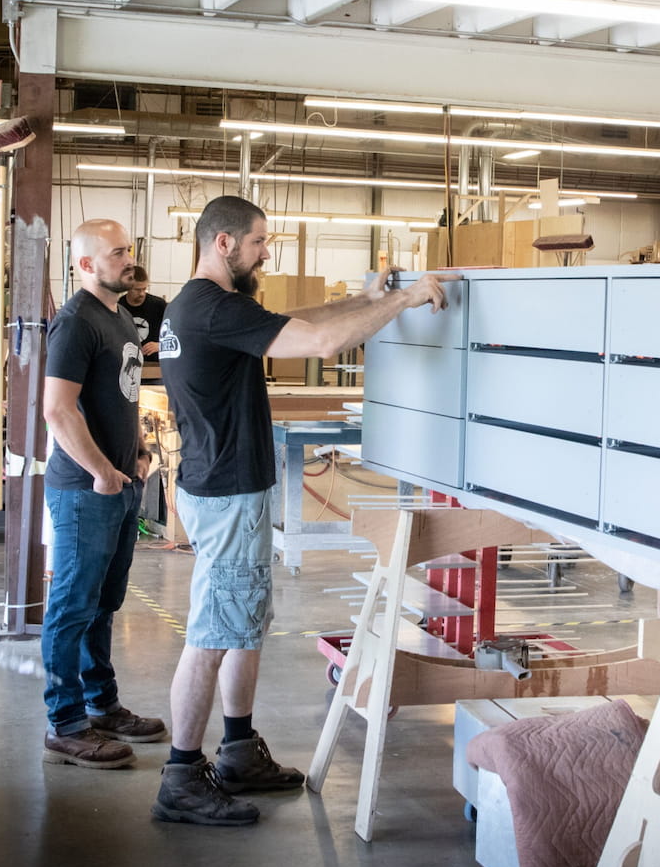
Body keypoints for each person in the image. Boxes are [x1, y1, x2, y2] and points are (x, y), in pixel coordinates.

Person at [152, 195, 454, 826]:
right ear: (226, 243)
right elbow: (316, 339)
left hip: (225, 486)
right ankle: (181, 775)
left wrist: (367, 299)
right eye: (261, 242)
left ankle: (236, 752)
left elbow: (297, 317)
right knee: (212, 634)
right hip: (228, 494)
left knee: (241, 625)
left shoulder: (203, 306)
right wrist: (404, 300)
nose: (268, 252)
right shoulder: (210, 308)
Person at [39, 218, 166, 769]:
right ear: (86, 264)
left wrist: (135, 453)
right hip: (84, 489)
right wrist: (99, 471)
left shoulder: (120, 319)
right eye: (117, 253)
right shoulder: (75, 323)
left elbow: (124, 397)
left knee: (103, 604)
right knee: (71, 605)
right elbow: (57, 409)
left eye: (130, 251)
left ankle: (102, 704)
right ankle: (66, 724)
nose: (129, 261)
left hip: (119, 483)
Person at [120, 264, 167, 363]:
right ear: (128, 287)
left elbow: (176, 333)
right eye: (137, 290)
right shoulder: (119, 307)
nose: (141, 293)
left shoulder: (159, 306)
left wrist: (160, 345)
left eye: (144, 289)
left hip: (153, 364)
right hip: (126, 364)